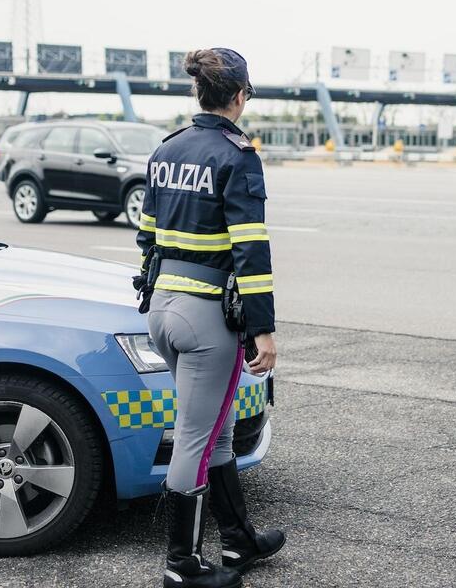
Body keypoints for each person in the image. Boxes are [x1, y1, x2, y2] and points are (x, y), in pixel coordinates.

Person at [136, 48, 285, 588]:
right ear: (241, 95)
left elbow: (147, 234)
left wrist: (153, 289)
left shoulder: (167, 148)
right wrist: (262, 327)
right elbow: (250, 249)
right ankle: (182, 566)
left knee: (213, 431)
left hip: (163, 309)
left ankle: (239, 538)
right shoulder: (236, 155)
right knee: (196, 438)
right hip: (206, 321)